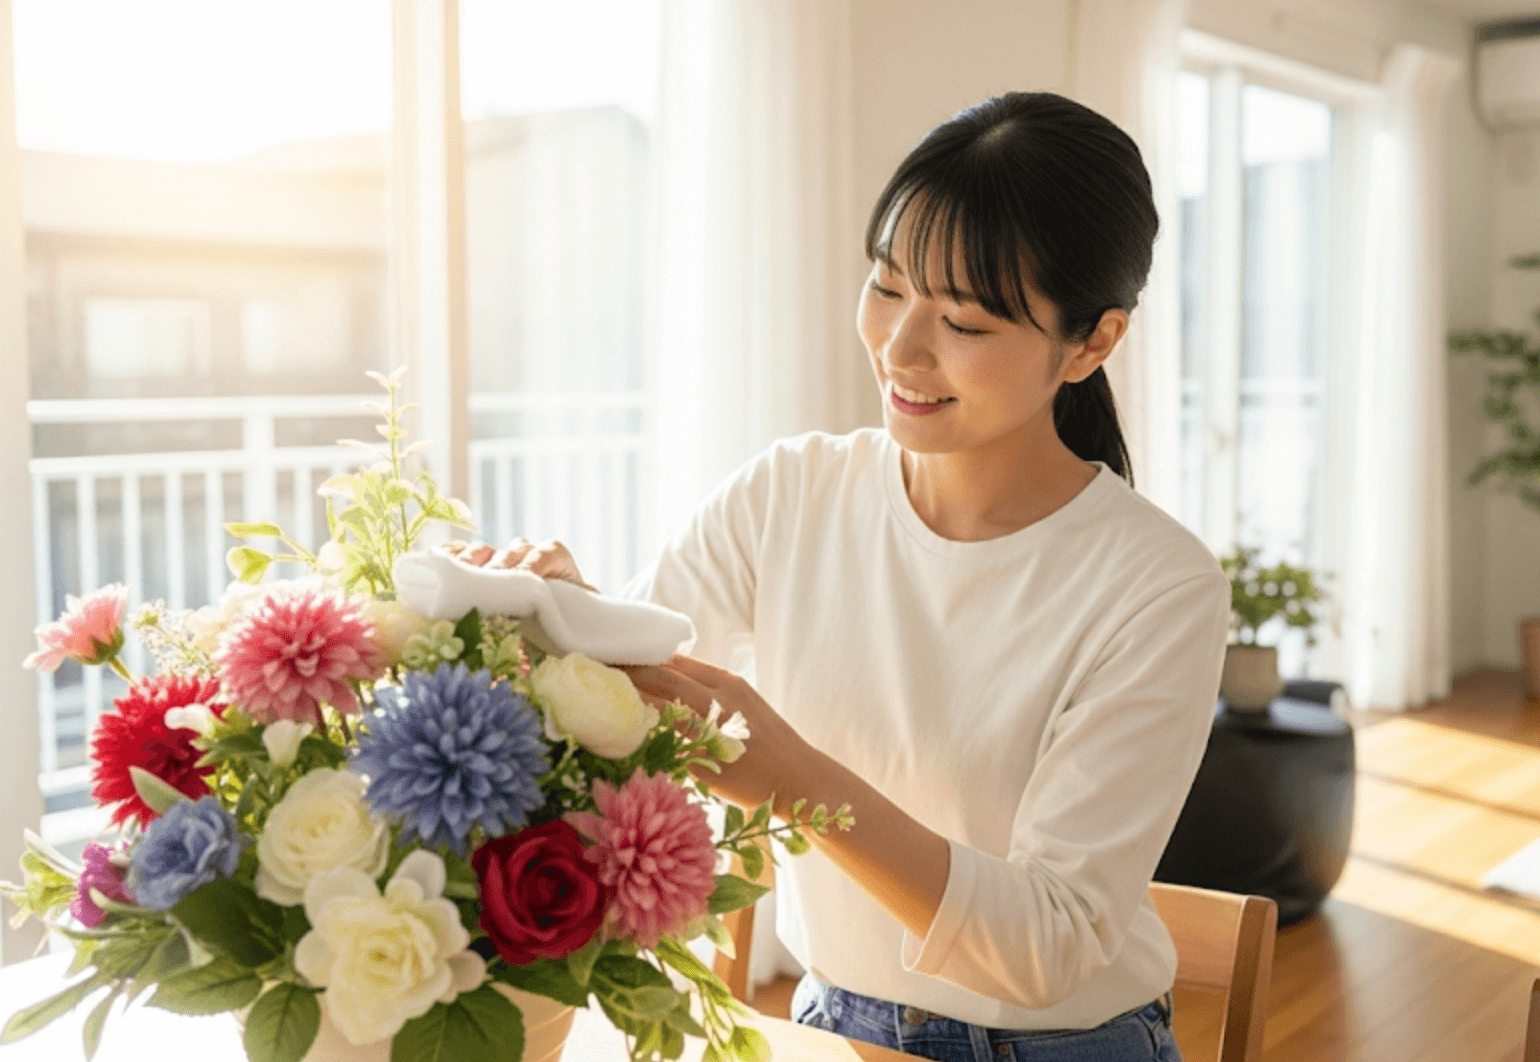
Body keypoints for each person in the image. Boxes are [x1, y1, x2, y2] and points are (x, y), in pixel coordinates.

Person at [473, 92, 1228, 1062]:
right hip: (832, 1026)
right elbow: (632, 686)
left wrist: (790, 778)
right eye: (886, 286)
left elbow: (1051, 944)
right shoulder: (792, 493)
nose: (901, 348)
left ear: (1091, 343)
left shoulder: (1156, 586)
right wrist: (563, 613)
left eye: (964, 320)